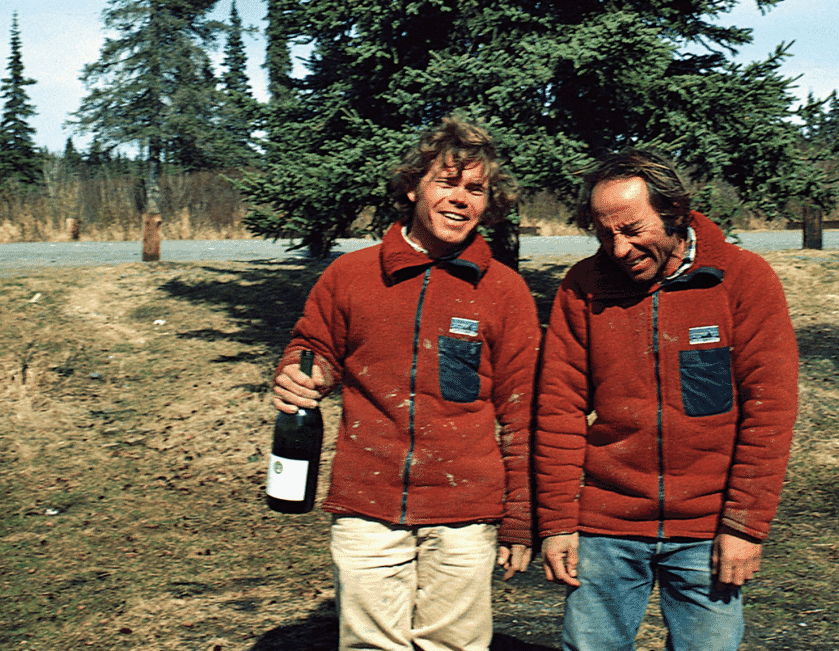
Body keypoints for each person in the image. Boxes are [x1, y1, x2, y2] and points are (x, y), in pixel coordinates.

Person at [271, 116, 539, 651]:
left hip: (465, 513)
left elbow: (523, 413)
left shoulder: (505, 292)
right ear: (414, 186)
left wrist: (519, 518)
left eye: (476, 189)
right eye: (447, 182)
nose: (460, 198)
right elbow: (312, 345)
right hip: (366, 506)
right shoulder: (350, 275)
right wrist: (302, 373)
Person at [535, 148, 799, 651]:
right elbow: (557, 411)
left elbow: (770, 412)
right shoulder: (582, 288)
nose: (619, 248)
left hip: (709, 528)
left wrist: (744, 526)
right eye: (604, 234)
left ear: (674, 211)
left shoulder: (742, 280)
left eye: (633, 229)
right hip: (605, 526)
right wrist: (557, 523)